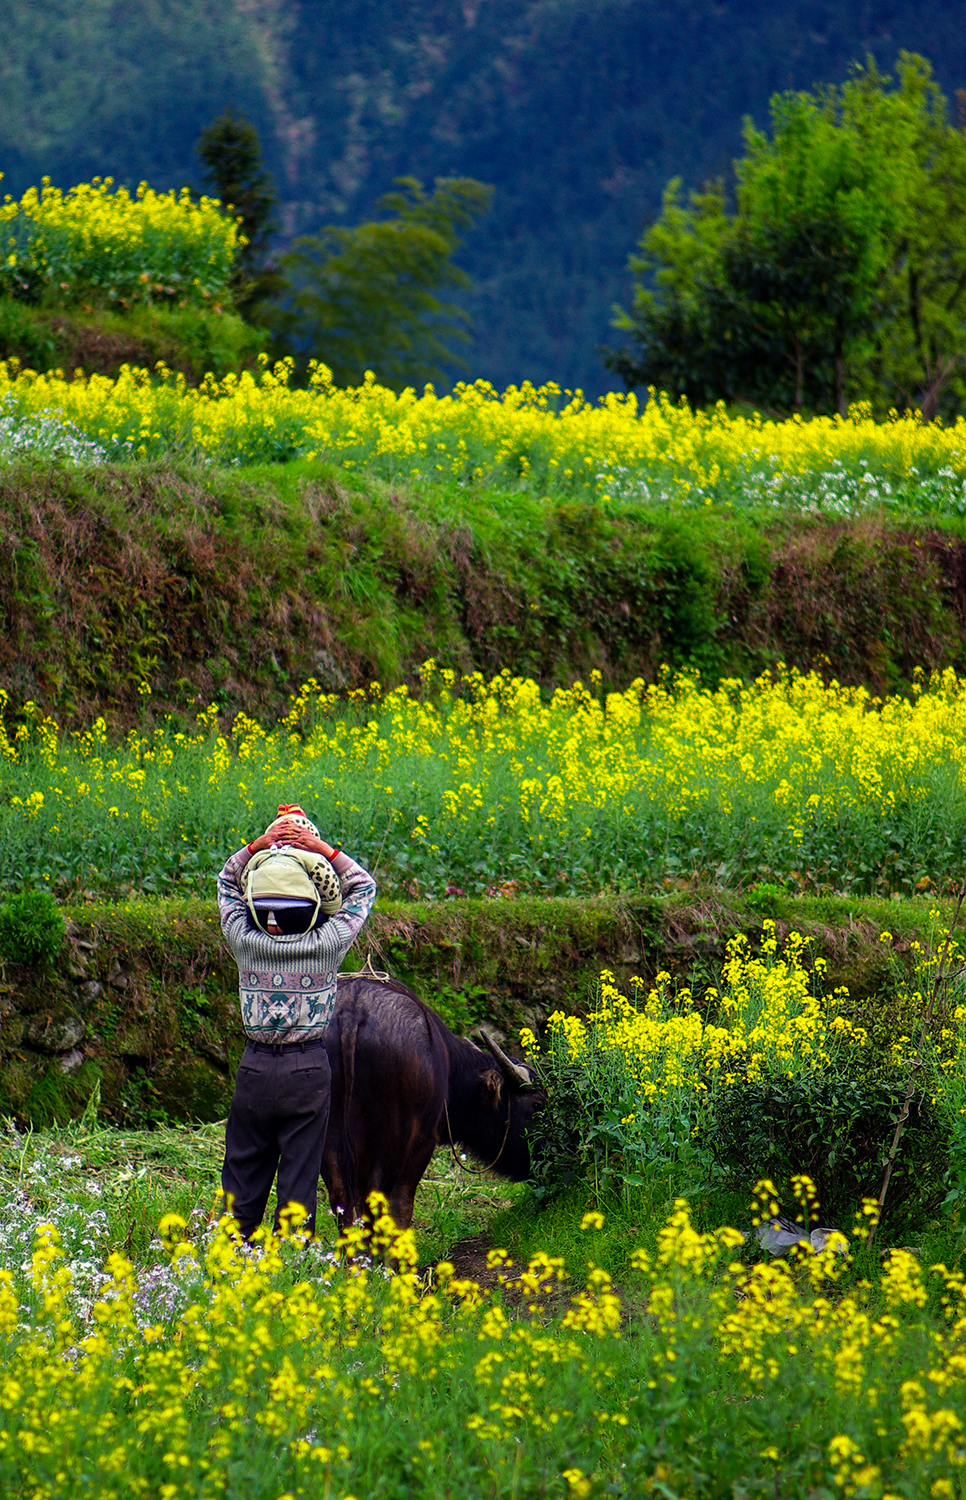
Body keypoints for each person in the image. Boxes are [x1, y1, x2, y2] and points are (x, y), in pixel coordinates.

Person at [216, 803, 376, 1239]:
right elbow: (363, 888)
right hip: (307, 1069)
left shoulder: (246, 941)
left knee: (242, 1175)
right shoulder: (328, 943)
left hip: (254, 1066)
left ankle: (230, 1264)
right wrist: (321, 848)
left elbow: (226, 884)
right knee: (299, 1176)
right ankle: (288, 1271)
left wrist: (257, 847)